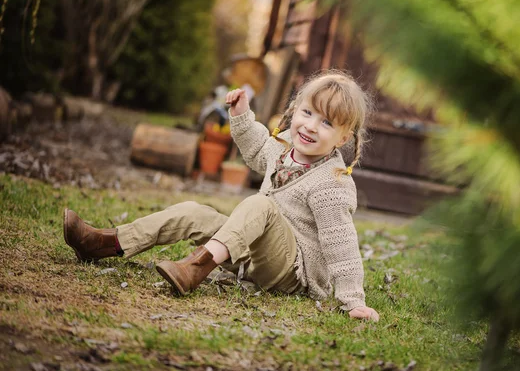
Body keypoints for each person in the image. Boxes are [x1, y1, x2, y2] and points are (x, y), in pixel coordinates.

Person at [63, 70, 379, 321]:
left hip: (293, 272)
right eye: (308, 113)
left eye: (326, 123)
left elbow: (342, 244)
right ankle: (105, 243)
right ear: (295, 110)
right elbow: (258, 151)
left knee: (260, 205)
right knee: (193, 212)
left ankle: (196, 268)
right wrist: (242, 115)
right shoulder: (285, 146)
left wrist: (353, 301)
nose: (311, 126)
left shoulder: (332, 183)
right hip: (256, 254)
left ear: (343, 138)